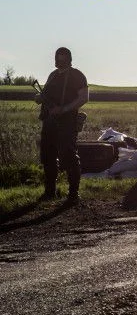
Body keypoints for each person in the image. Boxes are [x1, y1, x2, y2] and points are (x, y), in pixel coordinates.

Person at [35, 47, 89, 205]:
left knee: (69, 155)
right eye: (58, 57)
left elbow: (84, 98)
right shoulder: (52, 76)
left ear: (69, 59)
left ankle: (73, 195)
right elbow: (46, 95)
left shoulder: (77, 75)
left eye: (63, 57)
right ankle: (50, 192)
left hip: (67, 122)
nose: (60, 60)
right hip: (49, 121)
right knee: (47, 156)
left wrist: (64, 109)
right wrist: (39, 98)